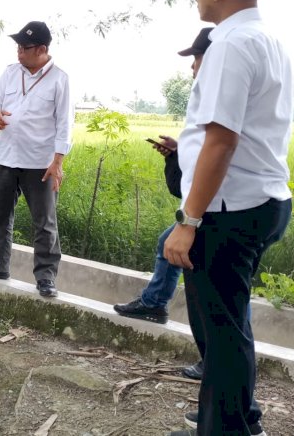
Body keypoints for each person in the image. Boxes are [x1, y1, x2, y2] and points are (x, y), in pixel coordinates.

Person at [164, 0, 293, 436]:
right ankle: (238, 422)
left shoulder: (231, 44)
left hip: (227, 211)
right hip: (260, 201)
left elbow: (221, 139)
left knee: (219, 332)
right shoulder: (268, 40)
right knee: (229, 325)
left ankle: (228, 430)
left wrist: (188, 222)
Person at [113, 27, 213, 381]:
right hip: (216, 207)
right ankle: (156, 304)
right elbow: (196, 164)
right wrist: (177, 153)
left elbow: (211, 162)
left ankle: (217, 364)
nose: (192, 68)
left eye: (197, 58)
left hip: (216, 211)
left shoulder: (220, 99)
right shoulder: (210, 97)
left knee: (220, 290)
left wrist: (189, 223)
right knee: (167, 247)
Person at [0, 21, 72, 298]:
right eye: (18, 47)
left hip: (41, 164)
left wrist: (58, 161)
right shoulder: (11, 73)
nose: (19, 52)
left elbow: (64, 125)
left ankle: (46, 277)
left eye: (24, 48)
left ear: (42, 49)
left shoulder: (60, 79)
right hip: (6, 157)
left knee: (44, 222)